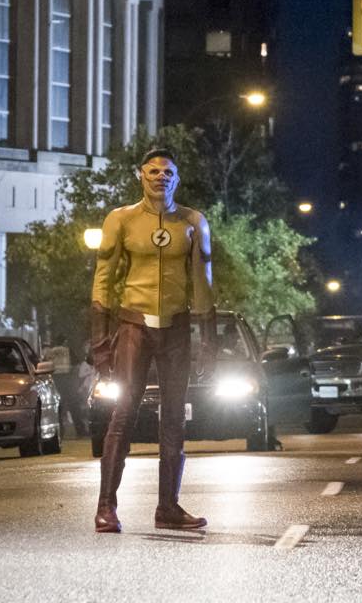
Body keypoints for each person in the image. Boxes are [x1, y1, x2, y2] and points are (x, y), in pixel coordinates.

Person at [90, 148, 215, 534]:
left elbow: (203, 282)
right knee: (124, 412)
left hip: (176, 327)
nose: (161, 177)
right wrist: (100, 341)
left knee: (174, 418)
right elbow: (103, 278)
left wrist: (208, 340)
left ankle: (168, 507)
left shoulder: (193, 221)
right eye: (154, 171)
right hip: (134, 325)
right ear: (140, 175)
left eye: (168, 172)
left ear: (177, 179)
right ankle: (106, 507)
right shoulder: (121, 219)